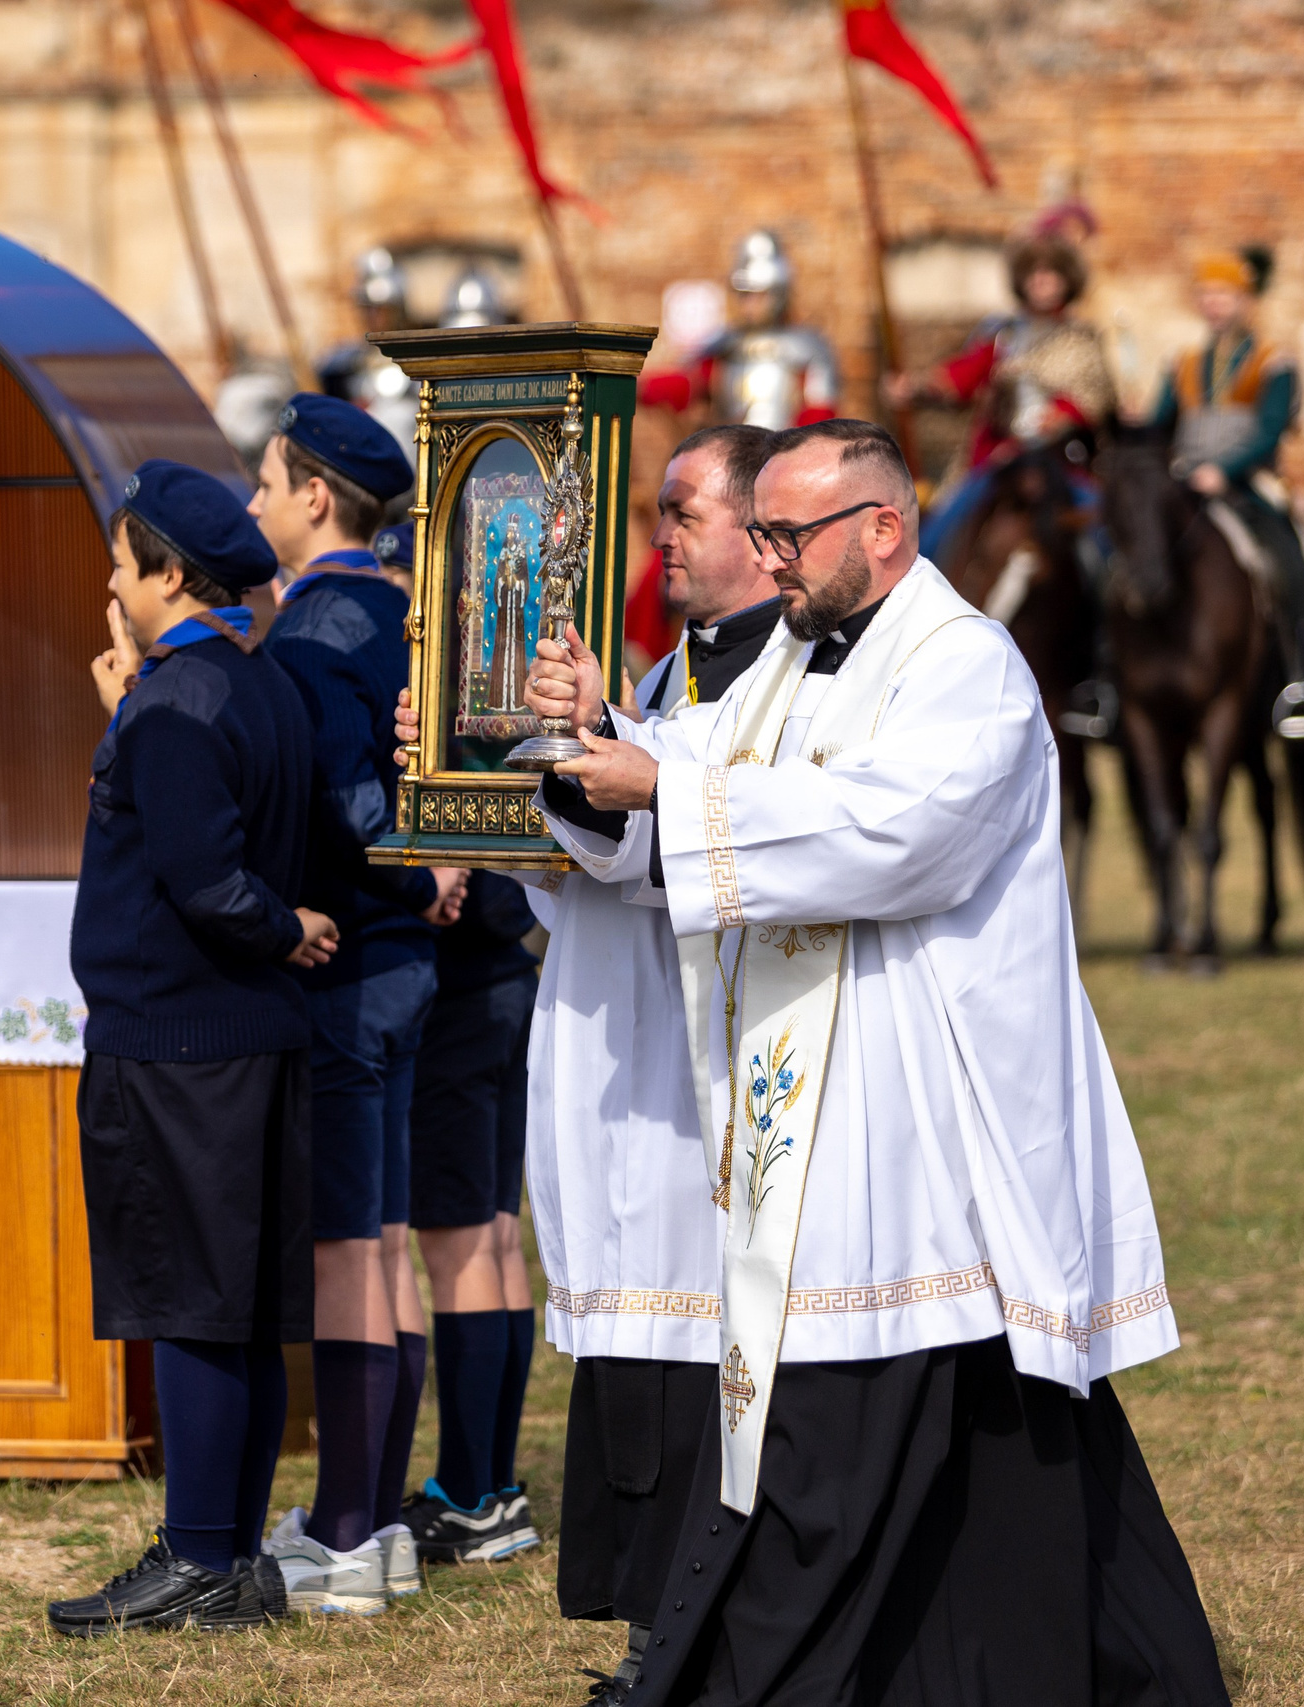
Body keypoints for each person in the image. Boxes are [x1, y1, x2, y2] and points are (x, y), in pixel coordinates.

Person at [527, 420, 1229, 1706]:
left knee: (885, 1420)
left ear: (883, 528)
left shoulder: (965, 664)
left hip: (927, 1101)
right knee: (945, 1419)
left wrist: (662, 790)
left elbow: (898, 831)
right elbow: (696, 767)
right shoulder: (787, 667)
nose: (769, 559)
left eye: (788, 536)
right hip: (825, 1108)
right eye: (761, 533)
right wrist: (596, 742)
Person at [389, 424, 788, 1695]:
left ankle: (706, 1642)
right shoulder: (669, 676)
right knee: (633, 1357)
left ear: (764, 534)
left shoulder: (793, 684)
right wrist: (466, 773)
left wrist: (605, 742)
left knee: (705, 1355)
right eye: (658, 512)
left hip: (706, 1065)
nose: (660, 537)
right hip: (614, 1034)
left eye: (684, 513)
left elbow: (713, 831)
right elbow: (587, 864)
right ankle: (651, 1633)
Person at [49, 460, 338, 1638]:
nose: (113, 584)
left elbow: (203, 878)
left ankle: (202, 1557)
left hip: (179, 1042)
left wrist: (278, 926)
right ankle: (230, 1556)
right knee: (238, 1306)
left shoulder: (176, 700)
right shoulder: (251, 681)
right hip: (240, 1040)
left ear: (171, 576)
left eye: (124, 564)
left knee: (191, 1303)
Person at [250, 393, 468, 1615]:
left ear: (315, 496)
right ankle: (373, 1525)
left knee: (349, 1249)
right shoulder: (400, 609)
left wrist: (409, 872)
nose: (254, 507)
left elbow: (344, 800)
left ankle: (343, 1537)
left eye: (266, 484)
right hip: (410, 960)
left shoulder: (314, 629)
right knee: (381, 1244)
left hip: (351, 960)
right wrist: (441, 868)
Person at [396, 866, 543, 1565]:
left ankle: (466, 1496)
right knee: (495, 1240)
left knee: (464, 1246)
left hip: (458, 993)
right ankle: (495, 1489)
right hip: (508, 978)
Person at [1148, 247, 1304, 739]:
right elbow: (1161, 424)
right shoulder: (1184, 364)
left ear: (1244, 300)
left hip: (1249, 484)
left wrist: (1224, 471)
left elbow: (1270, 431)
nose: (1214, 303)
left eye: (1224, 294)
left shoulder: (1274, 362)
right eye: (1206, 294)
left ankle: (1299, 679)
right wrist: (1137, 425)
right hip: (1186, 483)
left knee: (1291, 561)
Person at [887, 233, 1115, 570]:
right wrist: (915, 386)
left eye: (1050, 273)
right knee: (938, 530)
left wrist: (1041, 432)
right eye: (1034, 273)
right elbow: (962, 376)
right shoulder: (1004, 337)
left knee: (1104, 525)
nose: (1041, 280)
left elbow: (1090, 401)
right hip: (998, 458)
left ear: (1066, 280)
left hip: (1061, 458)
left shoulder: (1081, 341)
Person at [638, 232, 842, 432]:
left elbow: (819, 417)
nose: (749, 304)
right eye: (744, 295)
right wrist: (637, 386)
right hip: (732, 448)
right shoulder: (724, 343)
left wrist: (794, 449)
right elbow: (688, 385)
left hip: (785, 448)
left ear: (778, 294)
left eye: (759, 295)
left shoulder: (808, 347)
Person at [317, 247, 419, 453]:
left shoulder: (417, 357)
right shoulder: (343, 361)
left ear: (397, 309)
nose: (373, 316)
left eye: (380, 309)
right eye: (367, 308)